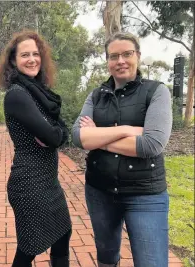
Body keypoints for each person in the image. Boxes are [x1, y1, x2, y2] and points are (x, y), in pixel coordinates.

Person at [72, 32, 172, 267]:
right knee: (106, 259)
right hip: (100, 190)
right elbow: (78, 136)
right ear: (107, 61)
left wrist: (98, 137)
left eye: (127, 54)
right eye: (113, 56)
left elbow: (151, 145)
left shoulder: (157, 91)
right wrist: (128, 129)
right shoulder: (97, 95)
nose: (120, 61)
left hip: (145, 194)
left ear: (138, 56)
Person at [0, 30, 72, 267]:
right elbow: (54, 135)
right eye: (24, 55)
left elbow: (60, 131)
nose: (31, 59)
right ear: (14, 61)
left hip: (48, 181)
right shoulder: (17, 94)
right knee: (29, 247)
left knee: (62, 235)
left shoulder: (37, 93)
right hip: (29, 183)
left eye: (35, 54)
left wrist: (56, 132)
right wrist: (55, 133)